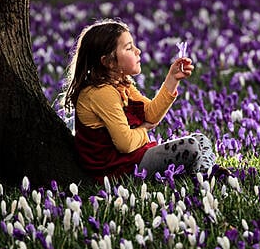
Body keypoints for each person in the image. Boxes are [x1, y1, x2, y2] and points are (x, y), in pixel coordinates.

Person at [63, 18, 216, 183]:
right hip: (119, 169)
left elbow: (151, 115)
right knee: (191, 146)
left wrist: (172, 79)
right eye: (129, 48)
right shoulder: (101, 93)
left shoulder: (121, 83)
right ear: (108, 62)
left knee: (201, 139)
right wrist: (144, 130)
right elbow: (125, 143)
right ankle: (204, 174)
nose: (138, 51)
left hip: (133, 158)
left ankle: (202, 173)